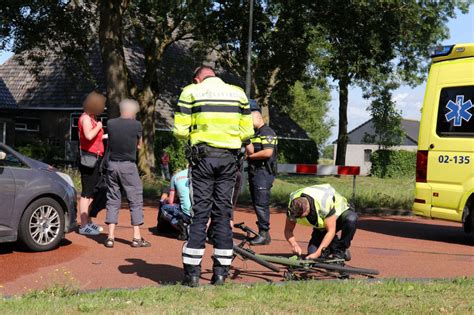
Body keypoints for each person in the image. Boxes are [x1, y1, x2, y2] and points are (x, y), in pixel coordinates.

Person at [173, 65, 254, 287]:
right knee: (222, 214)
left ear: (197, 79)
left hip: (202, 159)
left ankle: (192, 275)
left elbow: (180, 131)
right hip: (229, 161)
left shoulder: (191, 91)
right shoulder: (238, 93)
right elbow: (247, 133)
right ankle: (220, 274)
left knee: (200, 214)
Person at [104, 99, 150, 248]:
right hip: (128, 166)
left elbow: (110, 142)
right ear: (132, 111)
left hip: (112, 165)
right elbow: (139, 145)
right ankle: (136, 237)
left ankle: (110, 237)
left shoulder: (110, 123)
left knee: (112, 198)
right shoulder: (136, 125)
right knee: (135, 199)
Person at [284, 184, 357, 261]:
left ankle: (340, 250)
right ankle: (333, 246)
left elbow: (331, 231)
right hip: (322, 226)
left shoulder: (324, 203)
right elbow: (288, 230)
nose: (297, 218)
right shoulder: (293, 206)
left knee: (351, 219)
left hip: (339, 214)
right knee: (312, 253)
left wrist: (318, 253)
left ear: (307, 209)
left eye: (300, 216)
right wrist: (294, 244)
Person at [245, 101, 278, 245]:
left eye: (249, 118)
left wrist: (250, 157)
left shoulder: (267, 132)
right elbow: (250, 149)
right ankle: (262, 233)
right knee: (257, 203)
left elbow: (268, 152)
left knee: (261, 204)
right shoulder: (255, 133)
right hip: (255, 173)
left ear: (257, 116)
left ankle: (264, 234)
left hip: (263, 173)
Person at [77, 91, 106, 235]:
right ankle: (83, 225)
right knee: (86, 193)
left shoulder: (92, 118)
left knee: (92, 192)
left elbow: (95, 138)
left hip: (96, 158)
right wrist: (100, 127)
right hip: (88, 159)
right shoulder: (86, 118)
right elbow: (88, 136)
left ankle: (88, 221)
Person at [158, 169, 192, 240]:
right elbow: (163, 199)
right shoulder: (168, 187)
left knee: (164, 208)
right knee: (163, 204)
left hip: (184, 212)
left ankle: (181, 228)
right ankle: (163, 227)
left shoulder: (175, 179)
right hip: (188, 211)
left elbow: (168, 201)